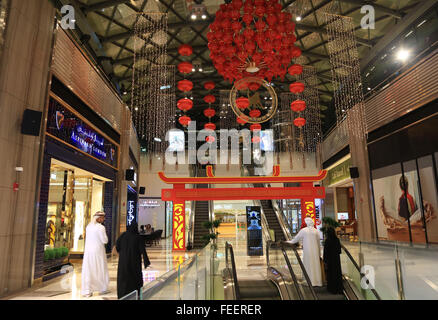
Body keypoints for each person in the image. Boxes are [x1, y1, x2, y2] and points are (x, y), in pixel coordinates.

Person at [116, 222, 151, 299]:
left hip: (123, 261)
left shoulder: (123, 235)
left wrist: (123, 253)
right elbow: (142, 250)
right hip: (134, 261)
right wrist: (146, 261)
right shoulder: (138, 237)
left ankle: (122, 294)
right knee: (135, 276)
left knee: (124, 277)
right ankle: (136, 293)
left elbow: (117, 246)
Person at [81, 211, 110, 297]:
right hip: (98, 252)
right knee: (99, 269)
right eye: (103, 218)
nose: (104, 219)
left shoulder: (88, 227)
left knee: (89, 270)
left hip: (88, 252)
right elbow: (105, 240)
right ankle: (102, 288)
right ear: (99, 218)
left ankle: (87, 291)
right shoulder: (101, 227)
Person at [290, 217, 322, 287]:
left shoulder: (303, 230)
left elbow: (294, 240)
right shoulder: (316, 231)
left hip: (307, 251)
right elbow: (318, 243)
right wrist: (319, 254)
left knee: (308, 264)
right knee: (315, 265)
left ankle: (309, 281)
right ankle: (317, 281)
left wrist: (287, 242)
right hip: (315, 251)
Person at [323, 227, 343, 294]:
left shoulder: (327, 241)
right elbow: (339, 251)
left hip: (329, 260)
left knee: (331, 274)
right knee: (337, 273)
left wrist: (325, 260)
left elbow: (325, 252)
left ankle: (332, 289)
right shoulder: (337, 240)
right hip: (336, 260)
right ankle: (339, 289)